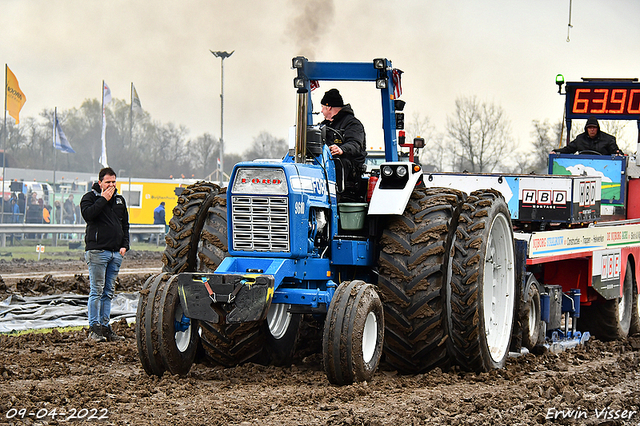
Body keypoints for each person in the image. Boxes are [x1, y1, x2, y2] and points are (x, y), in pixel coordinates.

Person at [81, 167, 130, 342]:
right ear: (100, 182)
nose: (111, 185)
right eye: (108, 182)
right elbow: (88, 215)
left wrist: (125, 246)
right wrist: (103, 199)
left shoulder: (119, 200)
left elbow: (125, 224)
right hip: (97, 252)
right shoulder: (90, 198)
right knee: (96, 291)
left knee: (108, 292)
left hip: (115, 253)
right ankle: (94, 328)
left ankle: (105, 326)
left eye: (113, 182)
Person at [320, 88, 367, 199]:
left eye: (322, 107)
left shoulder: (353, 124)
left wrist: (342, 150)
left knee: (339, 162)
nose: (321, 111)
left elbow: (355, 144)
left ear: (329, 107)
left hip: (348, 174)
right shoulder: (324, 126)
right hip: (326, 165)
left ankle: (336, 194)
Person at [552, 116, 623, 155]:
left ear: (597, 129)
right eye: (590, 127)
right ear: (586, 129)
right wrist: (556, 152)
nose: (592, 130)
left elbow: (615, 152)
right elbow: (568, 149)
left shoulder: (608, 140)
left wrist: (619, 154)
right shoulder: (580, 139)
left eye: (594, 127)